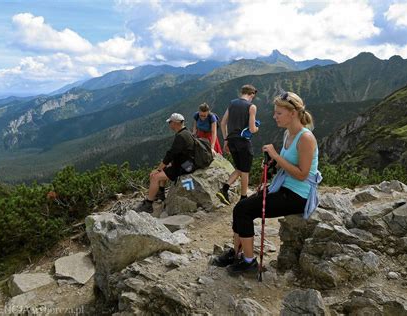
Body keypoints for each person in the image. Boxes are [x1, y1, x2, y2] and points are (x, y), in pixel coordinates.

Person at [212, 91, 321, 275]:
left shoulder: (306, 138)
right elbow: (288, 164)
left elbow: (302, 174)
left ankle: (248, 262)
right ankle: (237, 252)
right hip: (286, 187)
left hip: (298, 195)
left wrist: (276, 156)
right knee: (242, 207)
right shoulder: (289, 134)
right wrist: (273, 163)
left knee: (243, 210)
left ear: (292, 113)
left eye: (279, 113)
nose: (274, 116)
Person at [136, 113, 195, 214]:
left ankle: (149, 204)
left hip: (183, 167)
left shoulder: (180, 136)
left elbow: (170, 155)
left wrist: (158, 169)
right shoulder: (186, 132)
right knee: (164, 169)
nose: (169, 124)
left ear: (176, 123)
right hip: (188, 163)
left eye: (170, 122)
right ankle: (161, 193)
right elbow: (178, 153)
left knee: (155, 177)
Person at [217, 84, 259, 205]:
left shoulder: (232, 103)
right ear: (251, 94)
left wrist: (226, 140)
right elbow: (251, 129)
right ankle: (243, 198)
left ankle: (224, 189)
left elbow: (223, 123)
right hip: (243, 142)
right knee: (245, 170)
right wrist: (257, 128)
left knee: (240, 168)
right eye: (253, 96)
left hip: (232, 141)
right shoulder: (251, 106)